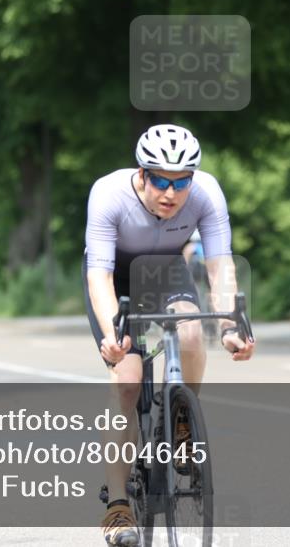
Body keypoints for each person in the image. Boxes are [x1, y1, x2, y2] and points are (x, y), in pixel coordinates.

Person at [83, 124, 254, 546]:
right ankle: (118, 505)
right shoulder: (108, 194)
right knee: (126, 382)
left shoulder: (207, 194)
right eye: (160, 179)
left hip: (166, 271)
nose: (171, 192)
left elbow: (220, 265)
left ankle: (181, 422)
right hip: (116, 281)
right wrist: (112, 334)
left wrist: (231, 326)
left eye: (181, 182)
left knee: (193, 333)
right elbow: (99, 276)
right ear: (141, 174)